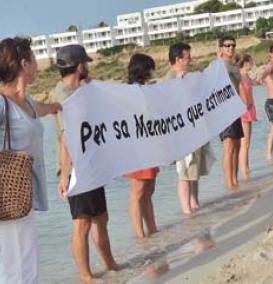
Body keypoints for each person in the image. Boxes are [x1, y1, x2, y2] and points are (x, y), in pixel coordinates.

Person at [54, 45, 118, 283]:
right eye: (86, 64)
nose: (88, 67)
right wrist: (65, 176)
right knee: (81, 223)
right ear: (80, 66)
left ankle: (110, 264)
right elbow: (66, 138)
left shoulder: (78, 90)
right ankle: (86, 277)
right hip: (76, 170)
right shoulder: (63, 96)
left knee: (101, 217)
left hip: (90, 165)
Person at [0, 37, 61, 284]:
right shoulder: (2, 104)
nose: (37, 65)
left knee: (28, 261)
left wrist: (60, 106)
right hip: (6, 195)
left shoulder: (27, 103)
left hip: (25, 196)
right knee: (12, 268)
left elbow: (45, 108)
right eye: (34, 59)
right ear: (25, 64)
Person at [164, 42, 214, 212]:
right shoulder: (170, 79)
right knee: (184, 172)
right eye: (187, 58)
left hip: (196, 130)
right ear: (178, 59)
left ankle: (194, 203)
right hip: (182, 134)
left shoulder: (189, 76)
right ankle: (187, 210)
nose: (190, 61)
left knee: (195, 171)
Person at [126, 53, 159, 239]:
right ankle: (140, 235)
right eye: (149, 68)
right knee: (137, 191)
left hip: (150, 145)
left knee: (148, 190)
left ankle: (152, 230)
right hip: (137, 148)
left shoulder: (146, 89)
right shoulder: (129, 91)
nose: (152, 72)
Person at [218, 36, 247, 189]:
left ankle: (235, 181)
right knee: (228, 146)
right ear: (221, 48)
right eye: (227, 45)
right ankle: (229, 183)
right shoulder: (218, 65)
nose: (230, 48)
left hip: (235, 109)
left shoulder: (234, 68)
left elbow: (240, 86)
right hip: (223, 110)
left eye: (233, 45)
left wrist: (244, 104)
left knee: (237, 145)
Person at [236, 54, 257, 178]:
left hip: (249, 110)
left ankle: (246, 168)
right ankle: (244, 170)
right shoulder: (240, 77)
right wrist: (246, 104)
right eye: (250, 62)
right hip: (245, 111)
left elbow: (254, 83)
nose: (252, 64)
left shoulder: (246, 75)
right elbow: (241, 92)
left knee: (247, 142)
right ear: (245, 63)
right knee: (245, 143)